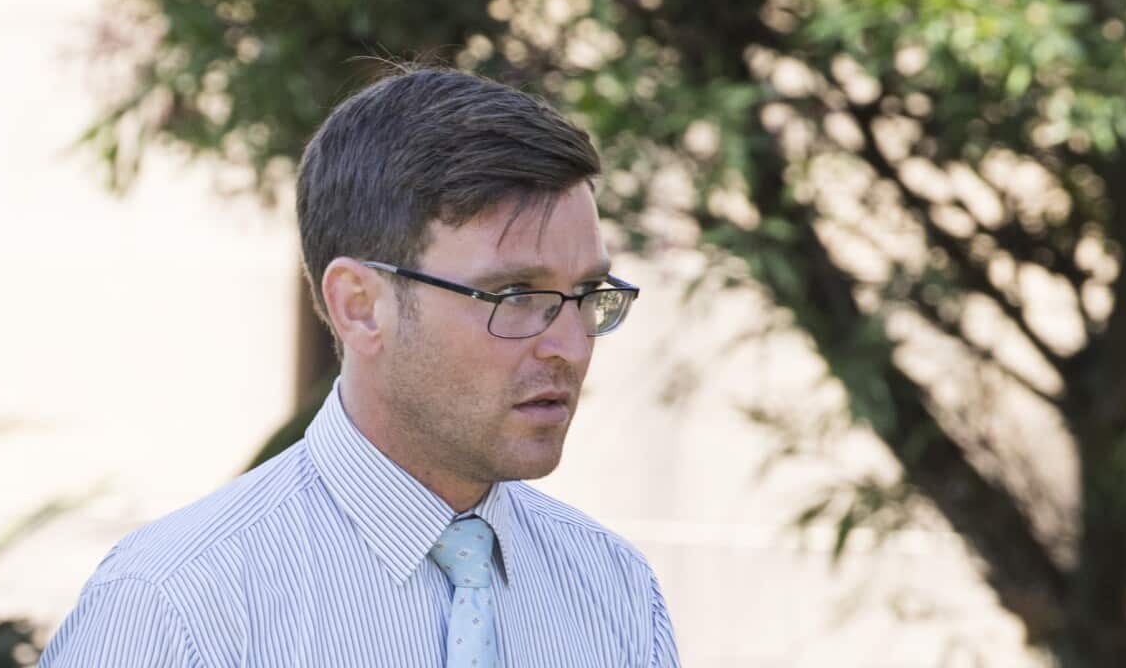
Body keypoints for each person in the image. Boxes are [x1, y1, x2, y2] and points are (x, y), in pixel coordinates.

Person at [39, 67, 680, 667]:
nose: (569, 345)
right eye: (515, 297)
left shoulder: (614, 592)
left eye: (588, 295)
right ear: (360, 306)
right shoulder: (177, 609)